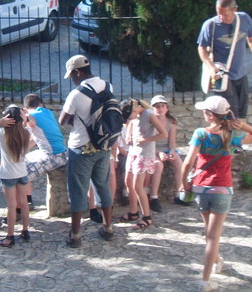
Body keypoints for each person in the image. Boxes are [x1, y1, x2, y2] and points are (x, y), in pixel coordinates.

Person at [179, 96, 252, 292]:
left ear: (211, 115)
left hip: (201, 187)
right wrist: (243, 125)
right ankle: (205, 281)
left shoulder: (200, 134)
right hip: (222, 188)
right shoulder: (234, 135)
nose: (203, 114)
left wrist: (184, 184)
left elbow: (188, 163)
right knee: (213, 237)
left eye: (205, 111)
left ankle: (217, 261)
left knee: (209, 233)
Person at [59, 55, 116, 248]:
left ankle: (75, 235)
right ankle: (108, 228)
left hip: (81, 148)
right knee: (102, 186)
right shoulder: (108, 86)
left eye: (72, 76)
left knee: (78, 190)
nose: (72, 80)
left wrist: (77, 120)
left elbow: (62, 121)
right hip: (103, 145)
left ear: (77, 72)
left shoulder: (76, 94)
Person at [197, 0, 252, 119]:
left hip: (241, 73)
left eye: (225, 14)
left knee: (241, 115)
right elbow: (201, 48)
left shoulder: (244, 19)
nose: (221, 17)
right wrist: (211, 67)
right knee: (229, 116)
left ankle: (237, 132)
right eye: (219, 14)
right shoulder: (210, 25)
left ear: (234, 10)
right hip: (222, 75)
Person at [116, 99, 166, 229]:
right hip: (134, 152)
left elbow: (163, 134)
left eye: (129, 117)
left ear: (134, 110)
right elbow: (131, 123)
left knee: (137, 186)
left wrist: (145, 139)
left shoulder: (149, 114)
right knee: (128, 182)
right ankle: (133, 212)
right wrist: (128, 135)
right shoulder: (135, 115)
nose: (129, 120)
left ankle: (147, 217)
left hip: (145, 154)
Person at [0, 104, 33, 248]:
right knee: (24, 203)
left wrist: (0, 122)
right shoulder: (26, 132)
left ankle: (10, 236)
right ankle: (25, 230)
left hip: (8, 174)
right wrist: (25, 120)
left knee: (11, 206)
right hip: (22, 173)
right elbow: (31, 125)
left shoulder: (2, 133)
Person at [22, 93, 68, 206]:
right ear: (41, 104)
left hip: (53, 155)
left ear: (25, 108)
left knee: (21, 175)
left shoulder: (31, 116)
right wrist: (22, 152)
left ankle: (25, 204)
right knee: (22, 161)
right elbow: (36, 138)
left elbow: (31, 125)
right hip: (61, 152)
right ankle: (28, 200)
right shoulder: (47, 112)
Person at [148, 95, 180, 210]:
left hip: (166, 148)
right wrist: (159, 153)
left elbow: (172, 141)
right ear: (152, 108)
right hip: (152, 148)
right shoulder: (150, 122)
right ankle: (154, 197)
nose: (160, 109)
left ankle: (179, 194)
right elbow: (149, 142)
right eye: (157, 106)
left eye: (162, 106)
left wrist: (172, 151)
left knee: (179, 163)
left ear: (167, 108)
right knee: (158, 165)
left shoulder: (171, 122)